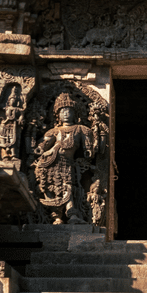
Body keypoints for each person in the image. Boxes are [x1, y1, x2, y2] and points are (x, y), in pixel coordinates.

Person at [34, 92, 97, 224]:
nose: (66, 113)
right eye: (62, 111)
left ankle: (71, 213)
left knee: (67, 186)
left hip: (67, 162)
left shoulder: (81, 129)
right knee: (50, 186)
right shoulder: (54, 131)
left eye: (69, 111)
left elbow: (88, 148)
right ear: (58, 115)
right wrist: (34, 139)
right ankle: (56, 216)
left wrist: (89, 151)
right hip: (50, 161)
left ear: (75, 113)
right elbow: (43, 146)